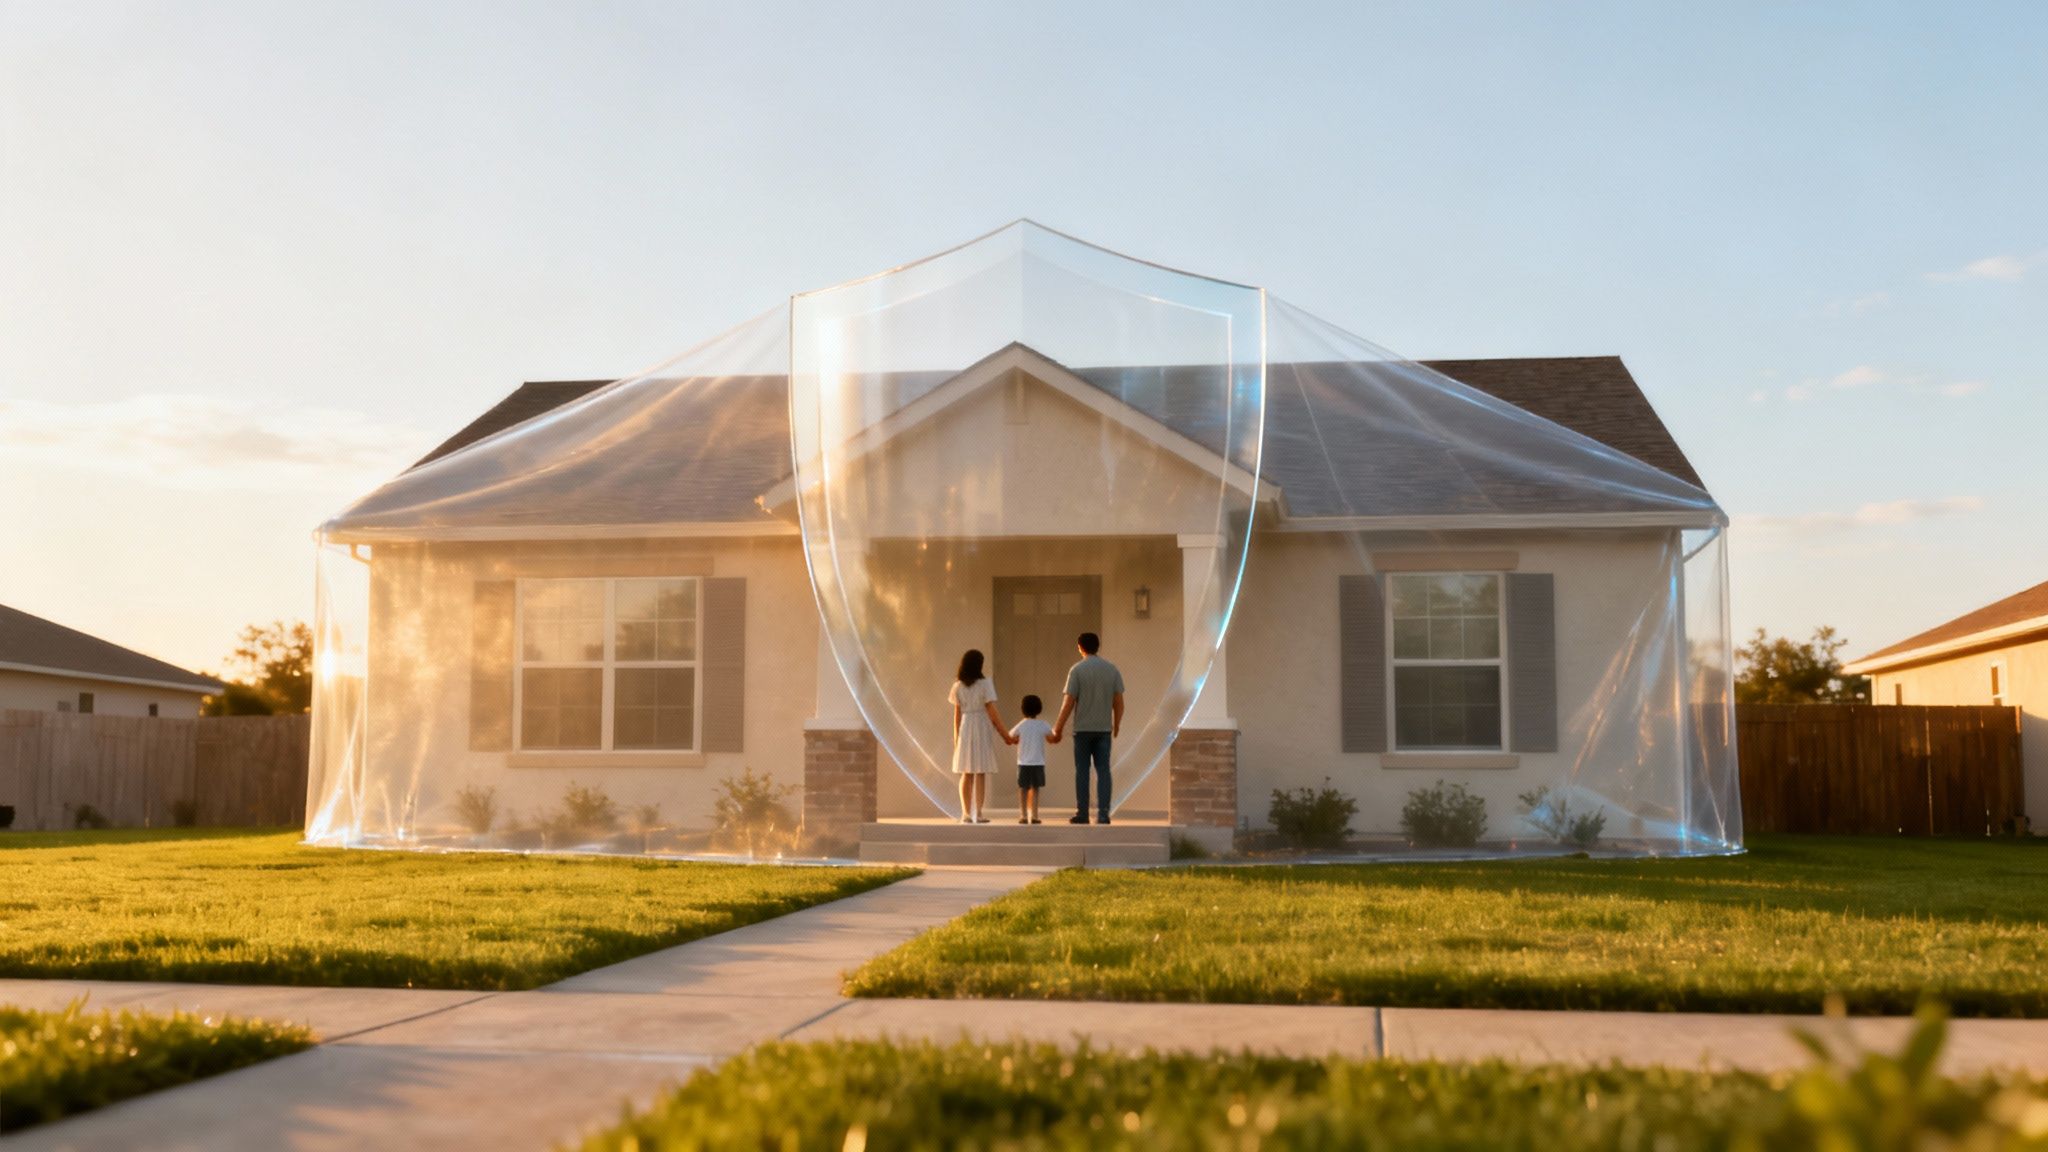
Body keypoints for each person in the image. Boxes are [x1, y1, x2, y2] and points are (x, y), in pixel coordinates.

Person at [1051, 631, 1123, 825]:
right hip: (1103, 730)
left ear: (1080, 647)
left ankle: (1082, 813)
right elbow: (1118, 702)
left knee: (1082, 770)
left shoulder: (1077, 670)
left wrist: (1057, 728)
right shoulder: (1111, 670)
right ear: (1097, 646)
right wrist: (1116, 724)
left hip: (1082, 730)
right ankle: (1103, 813)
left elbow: (1069, 702)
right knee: (1103, 771)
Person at [948, 648, 1007, 824]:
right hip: (981, 724)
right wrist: (1002, 731)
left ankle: (966, 813)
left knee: (967, 772)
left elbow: (957, 715)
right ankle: (978, 813)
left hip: (966, 726)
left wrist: (956, 737)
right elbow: (991, 710)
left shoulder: (957, 686)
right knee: (980, 771)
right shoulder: (985, 684)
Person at [1008, 694, 1059, 825]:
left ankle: (1023, 815)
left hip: (1023, 762)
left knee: (1023, 789)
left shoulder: (1021, 724)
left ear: (1023, 709)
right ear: (1039, 709)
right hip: (1038, 762)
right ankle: (1035, 816)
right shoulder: (1043, 724)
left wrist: (1016, 740)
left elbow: (1010, 735)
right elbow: (1052, 736)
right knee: (1035, 789)